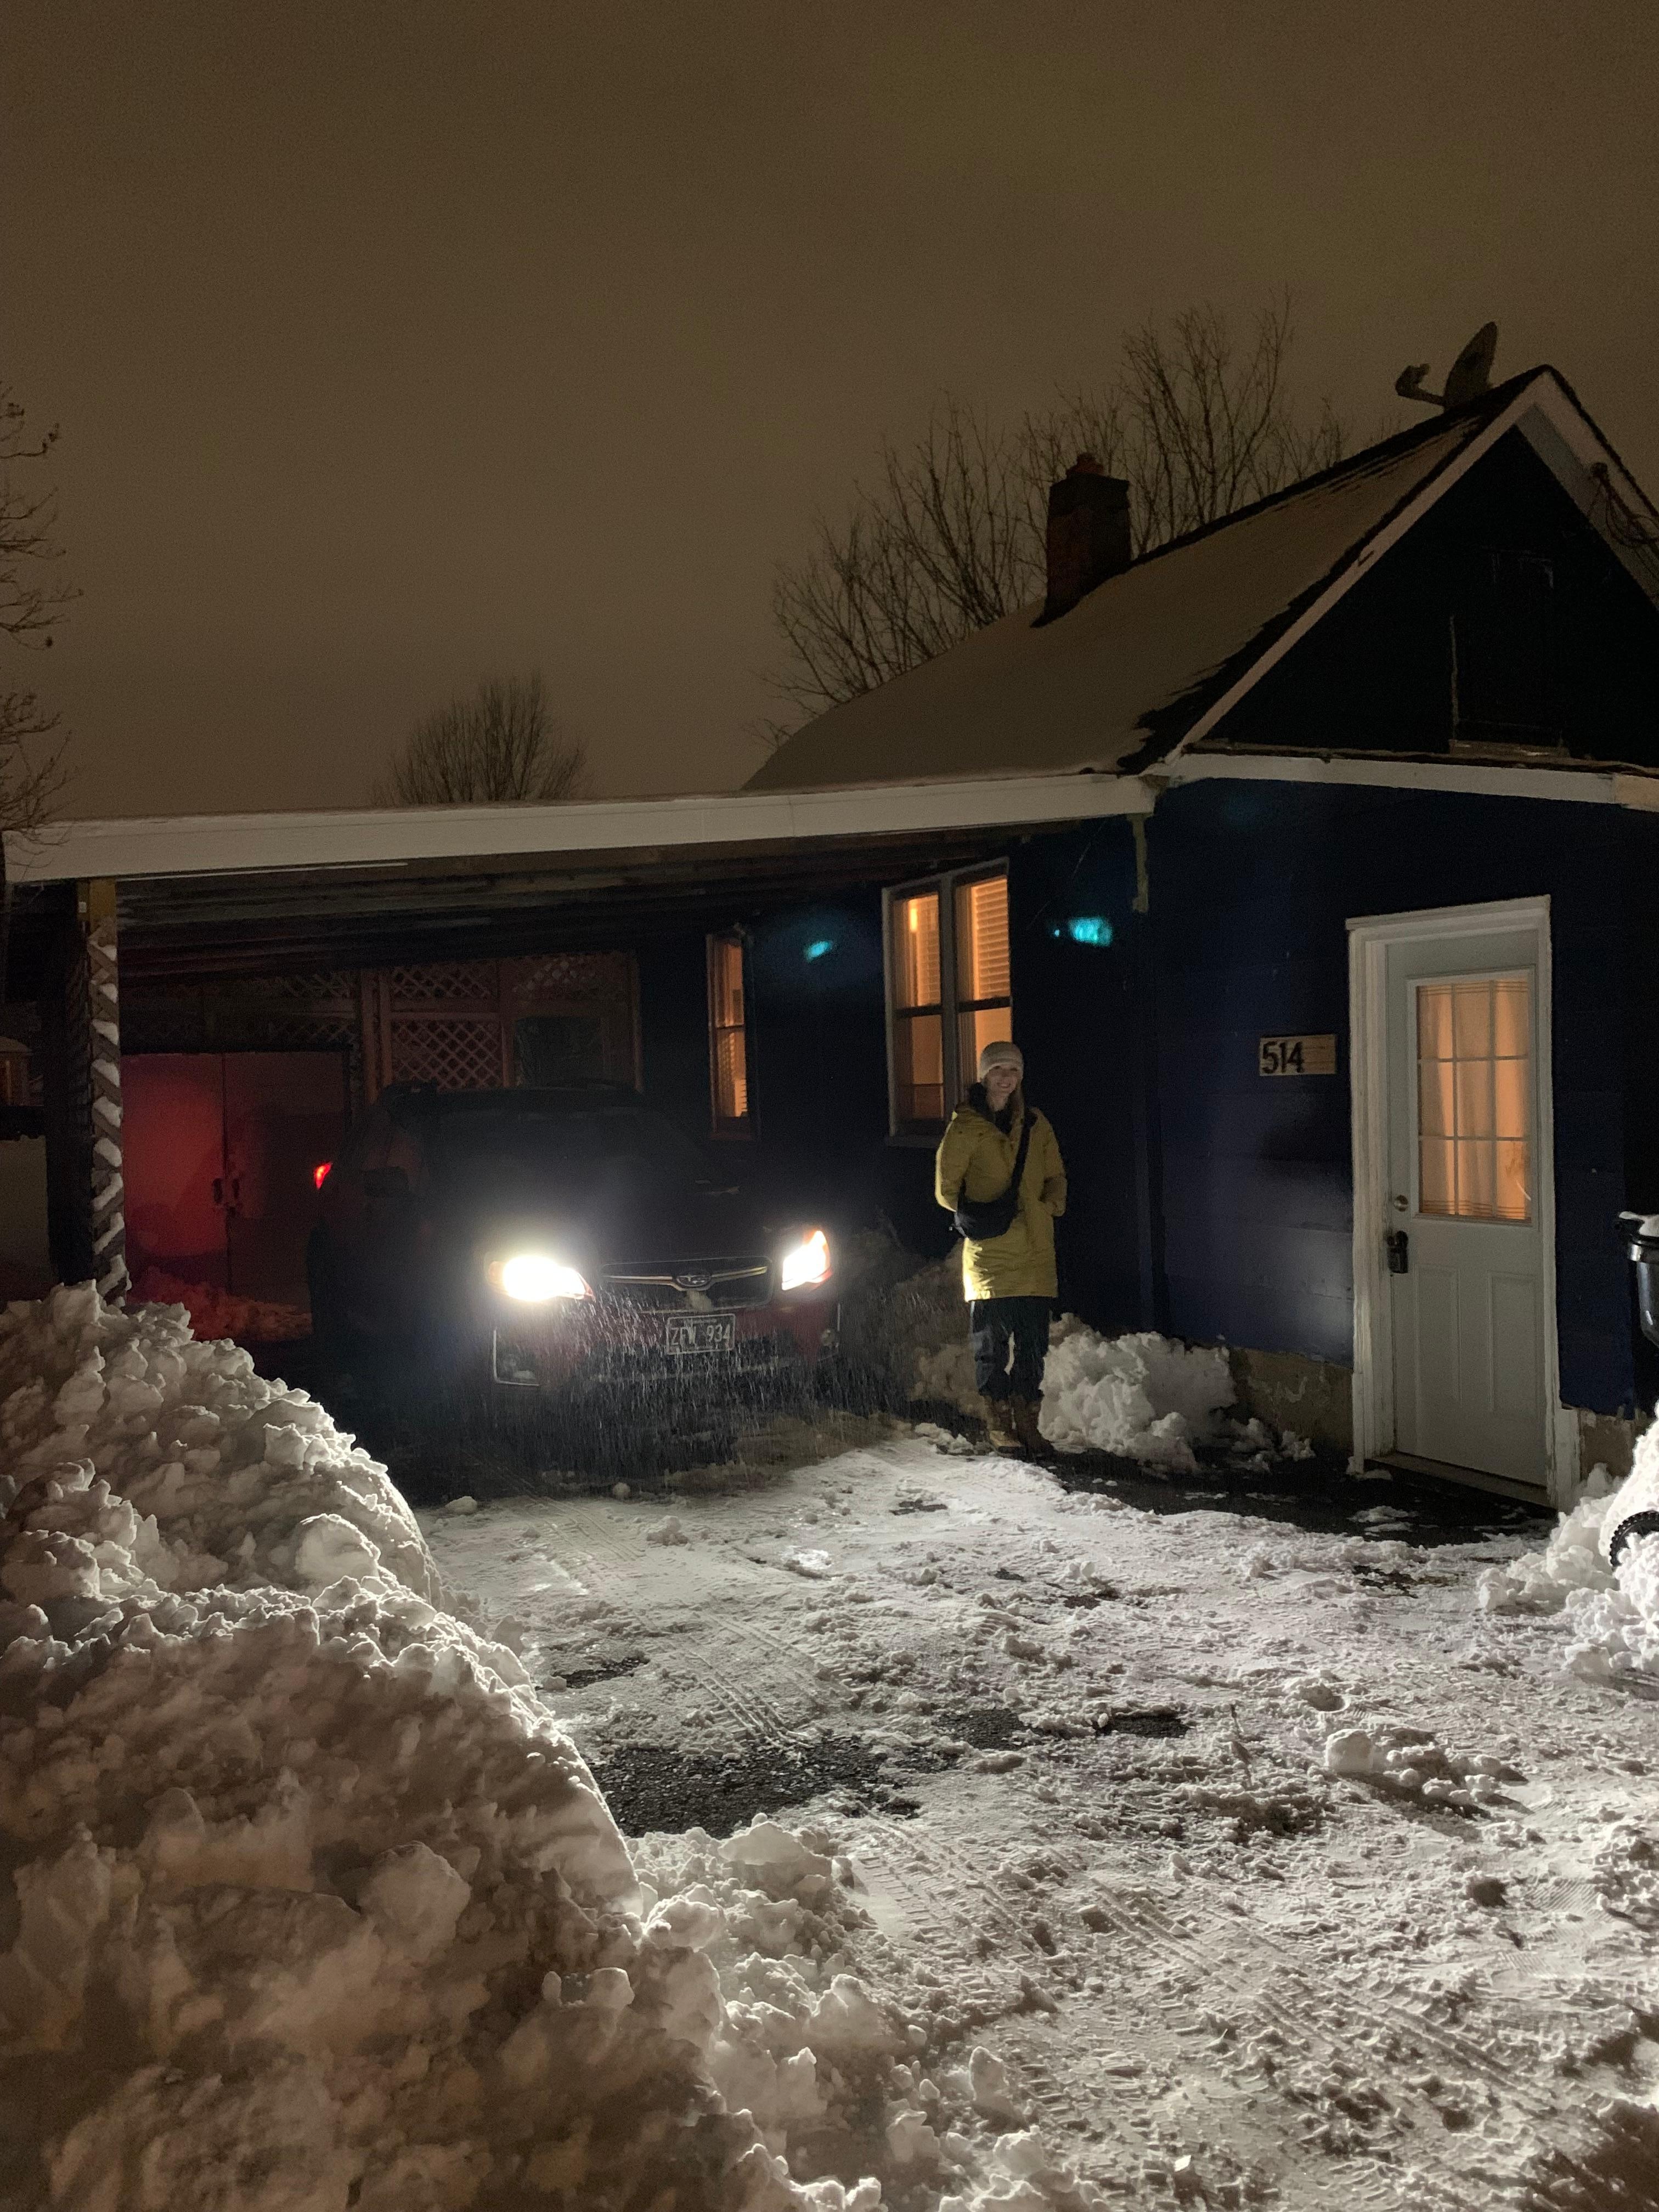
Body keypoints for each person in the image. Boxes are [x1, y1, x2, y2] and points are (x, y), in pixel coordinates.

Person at [934, 1039, 1066, 1456]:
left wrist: (1049, 1206)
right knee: (991, 1348)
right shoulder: (966, 1127)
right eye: (997, 1070)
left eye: (1013, 1070)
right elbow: (945, 1190)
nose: (1006, 1078)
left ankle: (1028, 1424)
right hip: (990, 1255)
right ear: (984, 1075)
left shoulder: (1036, 1124)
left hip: (1035, 1252)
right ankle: (999, 1423)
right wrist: (980, 1214)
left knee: (1033, 1348)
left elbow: (1055, 1175)